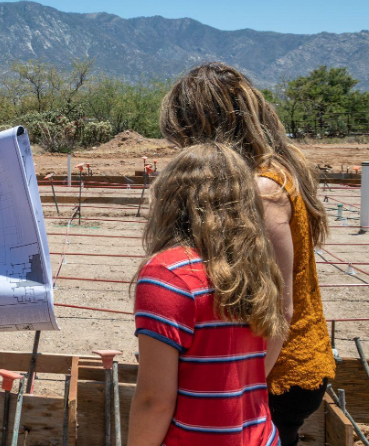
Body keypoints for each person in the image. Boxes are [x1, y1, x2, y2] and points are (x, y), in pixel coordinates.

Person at [160, 62, 334, 446]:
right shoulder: (274, 169)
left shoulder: (262, 189)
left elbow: (280, 308)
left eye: (186, 134)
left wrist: (241, 391)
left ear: (206, 127)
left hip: (276, 373)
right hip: (275, 367)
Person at [129, 143, 286, 445]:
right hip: (261, 436)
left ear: (169, 199)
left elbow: (154, 401)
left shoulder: (168, 275)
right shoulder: (258, 265)